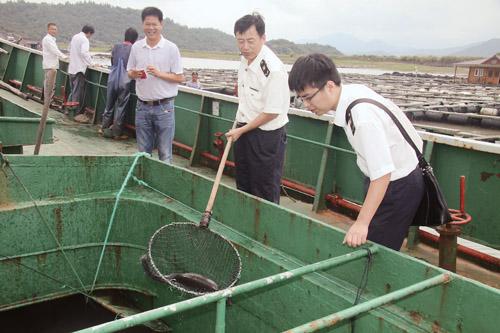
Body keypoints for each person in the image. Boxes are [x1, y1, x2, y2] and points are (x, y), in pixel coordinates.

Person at [288, 53, 424, 251]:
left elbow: (382, 174)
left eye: (309, 98)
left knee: (374, 250)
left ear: (329, 86)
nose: (307, 105)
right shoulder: (351, 93)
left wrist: (361, 223)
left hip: (397, 186)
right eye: (302, 99)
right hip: (393, 179)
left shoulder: (363, 118)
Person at [225, 13, 289, 204]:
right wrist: (240, 128)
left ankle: (266, 232)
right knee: (244, 183)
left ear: (263, 38)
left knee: (264, 189)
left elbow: (272, 111)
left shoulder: (273, 69)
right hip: (244, 129)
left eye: (250, 41)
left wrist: (241, 130)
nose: (245, 47)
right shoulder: (245, 59)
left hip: (266, 136)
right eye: (240, 41)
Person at [127, 7, 184, 163]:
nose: (151, 28)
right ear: (143, 25)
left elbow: (180, 77)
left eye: (154, 24)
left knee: (165, 153)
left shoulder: (171, 48)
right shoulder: (136, 47)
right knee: (143, 152)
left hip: (164, 107)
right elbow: (129, 72)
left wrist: (159, 74)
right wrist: (134, 74)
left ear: (161, 24)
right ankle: (144, 185)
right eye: (147, 24)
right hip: (142, 106)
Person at [100, 27, 138, 140]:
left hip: (112, 78)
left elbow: (112, 61)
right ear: (134, 39)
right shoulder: (133, 48)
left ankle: (103, 128)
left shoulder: (116, 46)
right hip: (125, 80)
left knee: (109, 105)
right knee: (121, 107)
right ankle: (116, 132)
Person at [68, 24, 94, 121]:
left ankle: (69, 110)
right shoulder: (84, 40)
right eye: (90, 35)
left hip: (71, 68)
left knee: (72, 91)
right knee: (77, 93)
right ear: (89, 33)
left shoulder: (75, 37)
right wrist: (91, 63)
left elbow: (69, 49)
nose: (89, 37)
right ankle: (76, 114)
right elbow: (84, 53)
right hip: (79, 70)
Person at [41, 23, 66, 105]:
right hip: (49, 65)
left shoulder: (51, 39)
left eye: (55, 29)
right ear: (48, 30)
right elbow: (54, 50)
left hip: (51, 65)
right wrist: (63, 56)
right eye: (52, 29)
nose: (54, 31)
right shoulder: (48, 39)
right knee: (50, 84)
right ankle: (48, 102)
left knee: (50, 84)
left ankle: (48, 101)